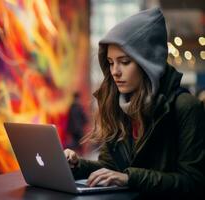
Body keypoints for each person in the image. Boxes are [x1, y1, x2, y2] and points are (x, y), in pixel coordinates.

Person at [64, 7, 205, 199]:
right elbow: (110, 168)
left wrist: (130, 178)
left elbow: (193, 182)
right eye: (111, 62)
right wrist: (77, 165)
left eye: (124, 61)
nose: (115, 71)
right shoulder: (118, 106)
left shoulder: (185, 107)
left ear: (148, 63)